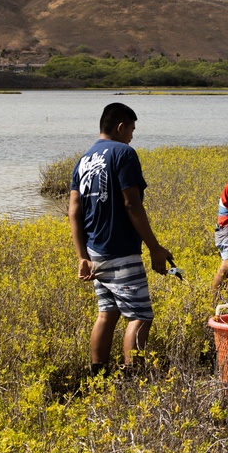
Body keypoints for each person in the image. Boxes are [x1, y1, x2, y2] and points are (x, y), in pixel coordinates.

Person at [69, 102, 173, 376]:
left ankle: (97, 377)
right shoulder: (124, 153)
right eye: (132, 130)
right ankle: (133, 379)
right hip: (122, 250)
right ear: (120, 127)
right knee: (140, 316)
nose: (132, 136)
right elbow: (132, 204)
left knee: (107, 313)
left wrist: (82, 256)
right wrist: (154, 248)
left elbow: (74, 211)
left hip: (96, 252)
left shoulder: (83, 160)